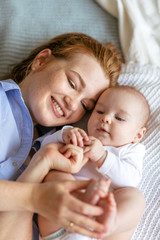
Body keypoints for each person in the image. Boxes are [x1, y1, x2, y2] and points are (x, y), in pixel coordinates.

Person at [0, 32, 125, 240]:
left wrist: (44, 160)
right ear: (41, 60)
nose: (73, 104)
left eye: (86, 106)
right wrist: (35, 197)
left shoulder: (52, 148)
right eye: (72, 83)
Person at [38, 85, 150, 240]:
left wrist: (102, 156)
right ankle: (80, 203)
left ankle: (111, 223)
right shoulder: (79, 137)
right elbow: (42, 152)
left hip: (101, 232)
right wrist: (62, 135)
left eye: (119, 118)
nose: (105, 118)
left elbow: (131, 180)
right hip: (61, 223)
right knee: (55, 176)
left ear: (138, 135)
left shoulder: (131, 150)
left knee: (135, 197)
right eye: (100, 111)